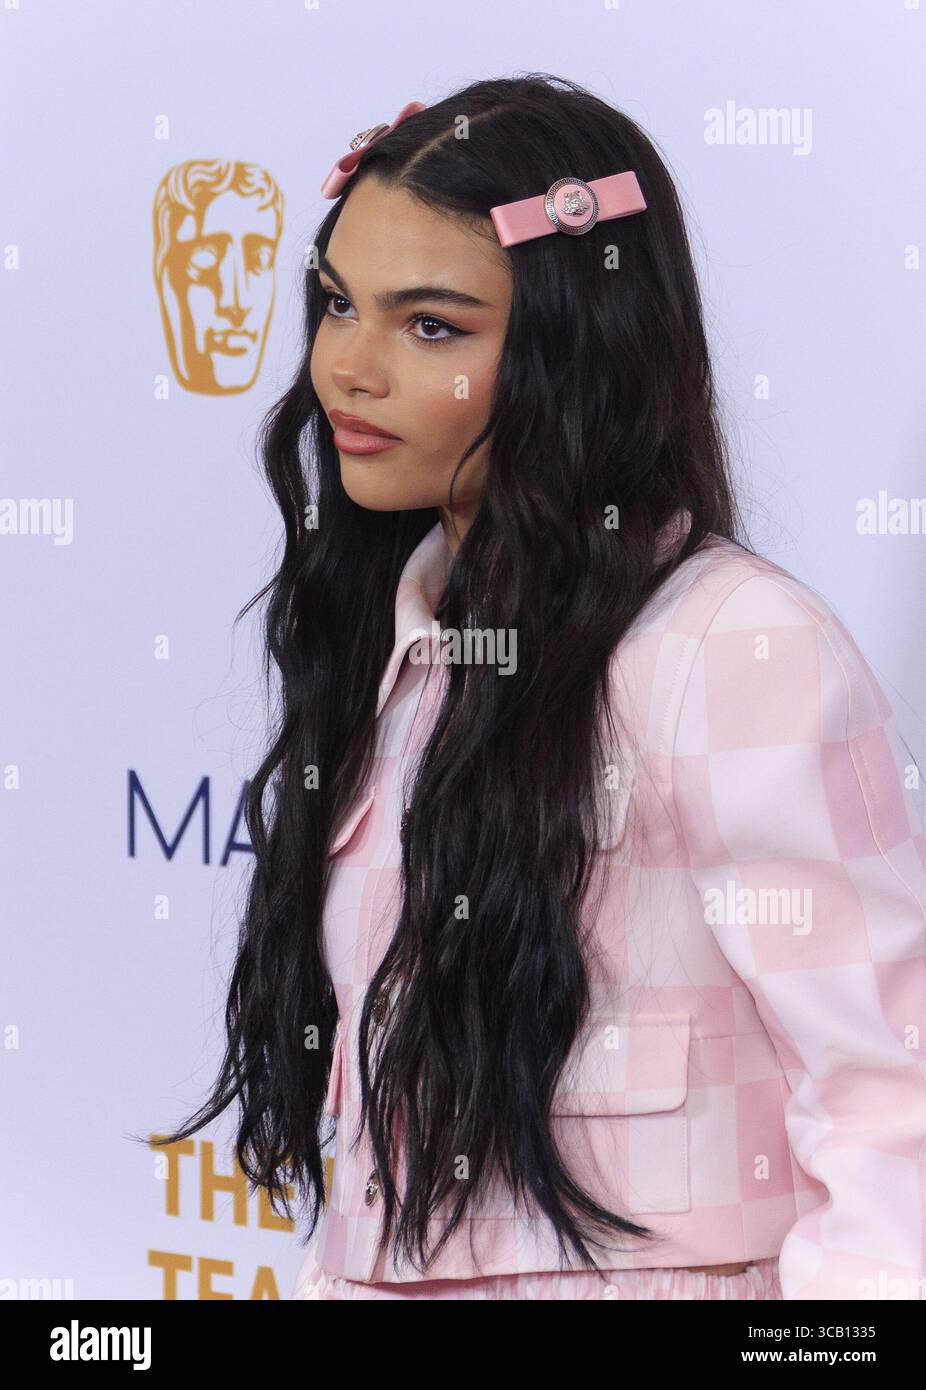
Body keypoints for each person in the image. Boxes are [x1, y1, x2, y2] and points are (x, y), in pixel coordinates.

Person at [152, 74, 926, 1301]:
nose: (348, 367)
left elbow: (892, 1104)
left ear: (577, 350)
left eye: (431, 327)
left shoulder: (732, 646)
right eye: (339, 304)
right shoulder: (390, 651)